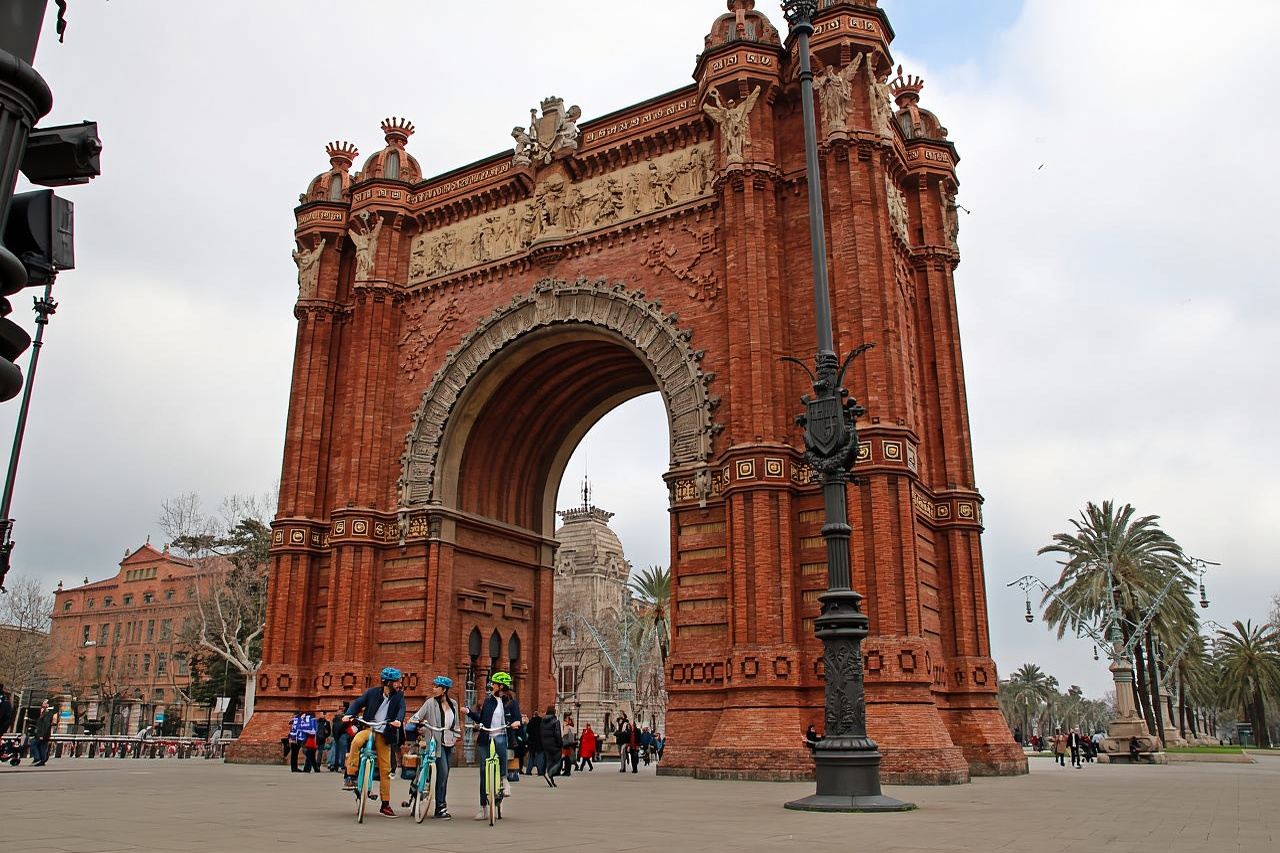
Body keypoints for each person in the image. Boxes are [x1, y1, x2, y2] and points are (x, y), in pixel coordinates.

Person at [342, 666, 406, 818]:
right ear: (388, 682)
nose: (399, 684)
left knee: (385, 769)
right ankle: (351, 775)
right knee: (356, 741)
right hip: (369, 728)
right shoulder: (372, 693)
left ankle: (385, 804)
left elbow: (401, 709)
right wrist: (349, 714)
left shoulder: (399, 696)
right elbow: (358, 703)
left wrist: (398, 720)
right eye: (397, 681)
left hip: (385, 733)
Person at [466, 671, 521, 820]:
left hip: (501, 734)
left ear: (501, 686)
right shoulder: (489, 701)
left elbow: (517, 718)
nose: (492, 686)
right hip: (486, 736)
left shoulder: (511, 702)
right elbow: (481, 718)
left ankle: (504, 779)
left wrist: (517, 723)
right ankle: (483, 807)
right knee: (484, 771)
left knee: (501, 744)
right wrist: (469, 713)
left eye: (494, 684)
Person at [406, 675, 460, 820]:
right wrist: (414, 721)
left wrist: (456, 735)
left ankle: (439, 806)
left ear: (444, 690)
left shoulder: (453, 703)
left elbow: (456, 723)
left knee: (445, 774)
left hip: (449, 741)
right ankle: (440, 806)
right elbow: (418, 716)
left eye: (436, 687)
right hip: (435, 742)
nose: (433, 689)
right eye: (434, 686)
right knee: (441, 772)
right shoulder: (430, 703)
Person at [540, 705, 562, 787]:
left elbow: (541, 733)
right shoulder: (555, 721)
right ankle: (550, 773)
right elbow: (557, 734)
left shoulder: (542, 721)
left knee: (549, 760)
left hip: (545, 744)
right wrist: (560, 744)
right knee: (557, 760)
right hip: (554, 744)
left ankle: (550, 776)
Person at [31, 700, 54, 766]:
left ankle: (38, 759)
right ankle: (41, 760)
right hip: (42, 735)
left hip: (43, 735)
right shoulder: (43, 715)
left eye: (43, 707)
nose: (41, 709)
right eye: (42, 707)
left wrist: (42, 735)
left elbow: (45, 726)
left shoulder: (46, 715)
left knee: (34, 744)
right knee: (42, 747)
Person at [523, 709, 544, 776]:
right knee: (540, 757)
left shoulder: (531, 722)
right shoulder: (542, 721)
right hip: (540, 742)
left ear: (534, 715)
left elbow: (528, 731)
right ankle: (540, 771)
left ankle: (528, 771)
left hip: (532, 742)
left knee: (531, 757)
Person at [560, 713, 577, 777]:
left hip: (567, 743)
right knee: (566, 758)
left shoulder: (568, 726)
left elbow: (565, 734)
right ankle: (567, 771)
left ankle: (567, 771)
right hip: (567, 743)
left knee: (567, 758)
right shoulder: (567, 725)